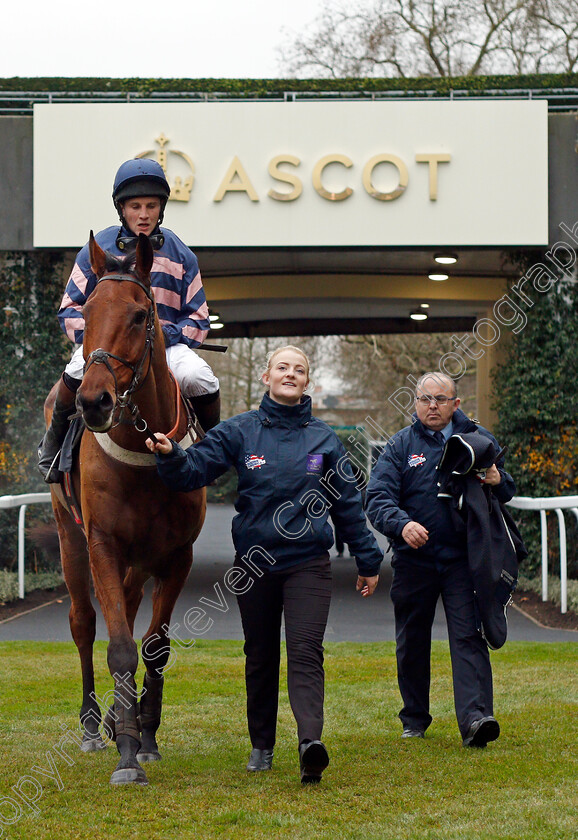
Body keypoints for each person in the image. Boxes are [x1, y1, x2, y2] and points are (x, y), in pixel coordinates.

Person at [145, 345, 383, 784]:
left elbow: (348, 504)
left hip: (308, 562)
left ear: (307, 382)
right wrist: (170, 453)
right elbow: (193, 469)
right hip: (254, 565)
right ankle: (262, 745)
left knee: (306, 651)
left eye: (299, 369)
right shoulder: (240, 432)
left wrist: (369, 559)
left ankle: (310, 743)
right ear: (266, 377)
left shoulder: (324, 440)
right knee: (260, 654)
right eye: (282, 367)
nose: (291, 374)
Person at [38, 158, 220, 483]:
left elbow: (199, 318)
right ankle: (53, 452)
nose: (144, 214)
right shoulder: (94, 250)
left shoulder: (182, 255)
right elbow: (69, 310)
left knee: (199, 377)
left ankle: (213, 452)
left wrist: (165, 332)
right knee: (73, 373)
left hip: (166, 347)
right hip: (104, 348)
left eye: (151, 205)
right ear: (121, 208)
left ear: (161, 207)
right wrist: (100, 335)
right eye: (135, 206)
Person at [365, 372, 516, 748]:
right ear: (415, 403)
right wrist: (402, 525)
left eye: (440, 399)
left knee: (468, 636)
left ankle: (477, 719)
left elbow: (508, 490)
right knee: (412, 640)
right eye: (425, 399)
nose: (432, 406)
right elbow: (377, 498)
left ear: (455, 404)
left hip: (464, 561)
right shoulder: (400, 445)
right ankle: (414, 718)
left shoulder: (480, 441)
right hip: (413, 560)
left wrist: (497, 479)